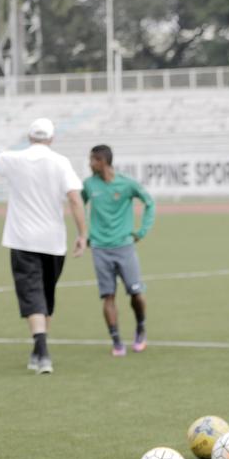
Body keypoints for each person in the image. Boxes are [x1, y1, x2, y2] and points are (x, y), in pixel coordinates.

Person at [0, 118, 87, 375]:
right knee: (45, 297)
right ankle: (41, 350)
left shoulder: (15, 159)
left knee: (33, 295)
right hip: (53, 241)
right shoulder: (61, 162)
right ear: (51, 138)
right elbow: (74, 198)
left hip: (23, 239)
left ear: (30, 137)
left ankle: (41, 351)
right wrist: (82, 234)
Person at [82, 145, 155, 357]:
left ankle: (141, 327)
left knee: (136, 293)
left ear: (103, 161)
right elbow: (78, 205)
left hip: (124, 247)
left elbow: (149, 203)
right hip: (100, 248)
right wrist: (85, 233)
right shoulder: (89, 185)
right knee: (108, 296)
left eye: (93, 160)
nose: (89, 164)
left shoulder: (127, 183)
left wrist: (142, 231)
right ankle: (116, 341)